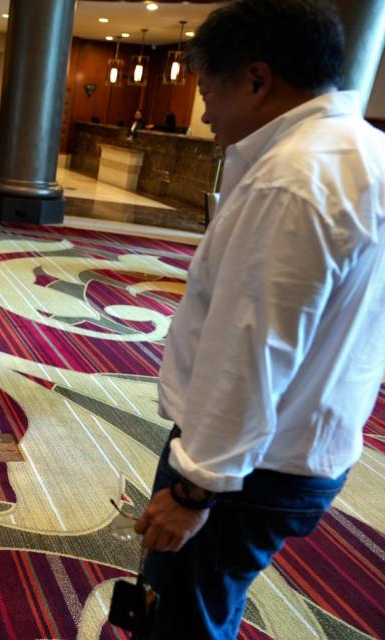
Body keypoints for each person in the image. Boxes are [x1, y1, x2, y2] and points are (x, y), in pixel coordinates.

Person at [132, 1, 385, 638]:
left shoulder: (292, 178)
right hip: (314, 441)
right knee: (213, 601)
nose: (207, 112)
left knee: (184, 616)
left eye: (207, 90)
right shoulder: (369, 152)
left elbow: (251, 349)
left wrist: (194, 490)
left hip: (250, 463)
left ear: (256, 79)